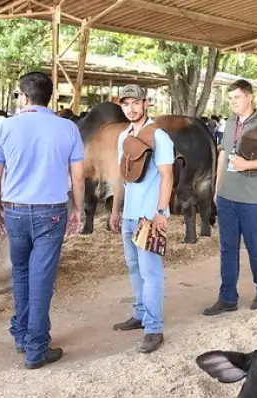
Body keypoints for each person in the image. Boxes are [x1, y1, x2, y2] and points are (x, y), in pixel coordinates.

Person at [0, 71, 85, 370]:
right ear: (49, 98)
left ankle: (22, 334)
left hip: (15, 209)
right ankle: (36, 348)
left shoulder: (6, 127)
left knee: (21, 273)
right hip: (51, 211)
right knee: (41, 278)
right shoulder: (67, 128)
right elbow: (78, 175)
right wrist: (78, 209)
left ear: (24, 96)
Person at [203, 79, 257, 316]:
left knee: (254, 247)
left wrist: (249, 164)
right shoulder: (228, 124)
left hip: (252, 199)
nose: (233, 102)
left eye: (237, 97)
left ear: (250, 97)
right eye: (230, 98)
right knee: (228, 249)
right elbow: (223, 157)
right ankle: (227, 297)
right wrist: (217, 191)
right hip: (227, 196)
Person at [109, 84, 174, 354]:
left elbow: (167, 176)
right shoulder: (123, 136)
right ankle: (140, 313)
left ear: (145, 103)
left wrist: (161, 212)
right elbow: (122, 178)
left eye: (135, 103)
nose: (131, 109)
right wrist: (116, 209)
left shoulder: (160, 137)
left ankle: (154, 328)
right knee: (134, 268)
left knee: (150, 272)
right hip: (129, 215)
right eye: (125, 104)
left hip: (149, 216)